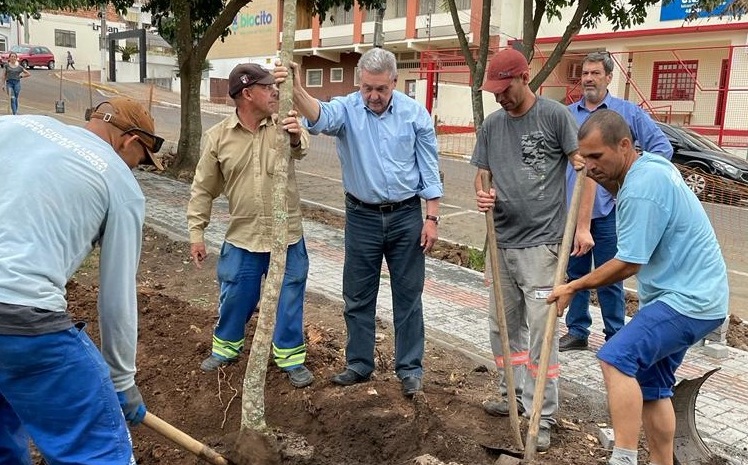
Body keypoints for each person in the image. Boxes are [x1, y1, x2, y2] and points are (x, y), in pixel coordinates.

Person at [548, 109, 728, 465]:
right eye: (585, 159)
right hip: (693, 297)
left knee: (615, 359)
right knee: (652, 388)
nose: (591, 167)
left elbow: (629, 262)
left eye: (598, 157)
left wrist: (574, 285)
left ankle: (624, 458)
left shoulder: (643, 187)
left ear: (625, 145)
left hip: (688, 301)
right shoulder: (647, 171)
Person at [0, 97, 164, 464]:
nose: (135, 169)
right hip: (22, 318)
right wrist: (122, 382)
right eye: (140, 161)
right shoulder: (119, 181)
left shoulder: (15, 125)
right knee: (98, 452)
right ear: (130, 141)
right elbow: (117, 297)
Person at [274, 47, 443, 397]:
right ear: (359, 82)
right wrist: (297, 88)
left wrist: (432, 218)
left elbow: (429, 170)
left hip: (406, 217)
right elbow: (319, 117)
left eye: (381, 88)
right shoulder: (348, 109)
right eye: (367, 88)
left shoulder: (415, 115)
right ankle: (359, 364)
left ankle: (410, 369)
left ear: (394, 83)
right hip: (362, 217)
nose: (374, 95)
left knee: (408, 297)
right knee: (357, 294)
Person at [471, 48, 596, 451]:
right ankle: (511, 395)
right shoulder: (492, 126)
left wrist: (581, 226)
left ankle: (541, 416)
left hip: (543, 246)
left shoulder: (555, 117)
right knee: (502, 328)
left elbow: (585, 167)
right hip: (501, 242)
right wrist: (483, 194)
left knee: (543, 335)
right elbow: (482, 175)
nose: (499, 98)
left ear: (525, 78)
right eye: (494, 91)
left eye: (504, 89)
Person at [187, 63, 314, 389]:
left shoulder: (284, 125)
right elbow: (203, 188)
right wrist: (196, 233)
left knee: (289, 298)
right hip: (244, 237)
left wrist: (296, 136)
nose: (275, 92)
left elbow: (302, 150)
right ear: (246, 94)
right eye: (267, 87)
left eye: (275, 86)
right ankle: (226, 349)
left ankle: (290, 358)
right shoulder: (218, 138)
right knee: (236, 296)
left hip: (286, 237)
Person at [560, 51, 673, 352]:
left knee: (612, 274)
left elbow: (662, 148)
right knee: (575, 272)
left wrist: (634, 182)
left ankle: (615, 334)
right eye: (584, 73)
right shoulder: (568, 115)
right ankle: (577, 330)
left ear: (609, 77)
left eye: (595, 73)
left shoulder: (628, 114)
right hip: (573, 213)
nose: (588, 79)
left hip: (611, 211)